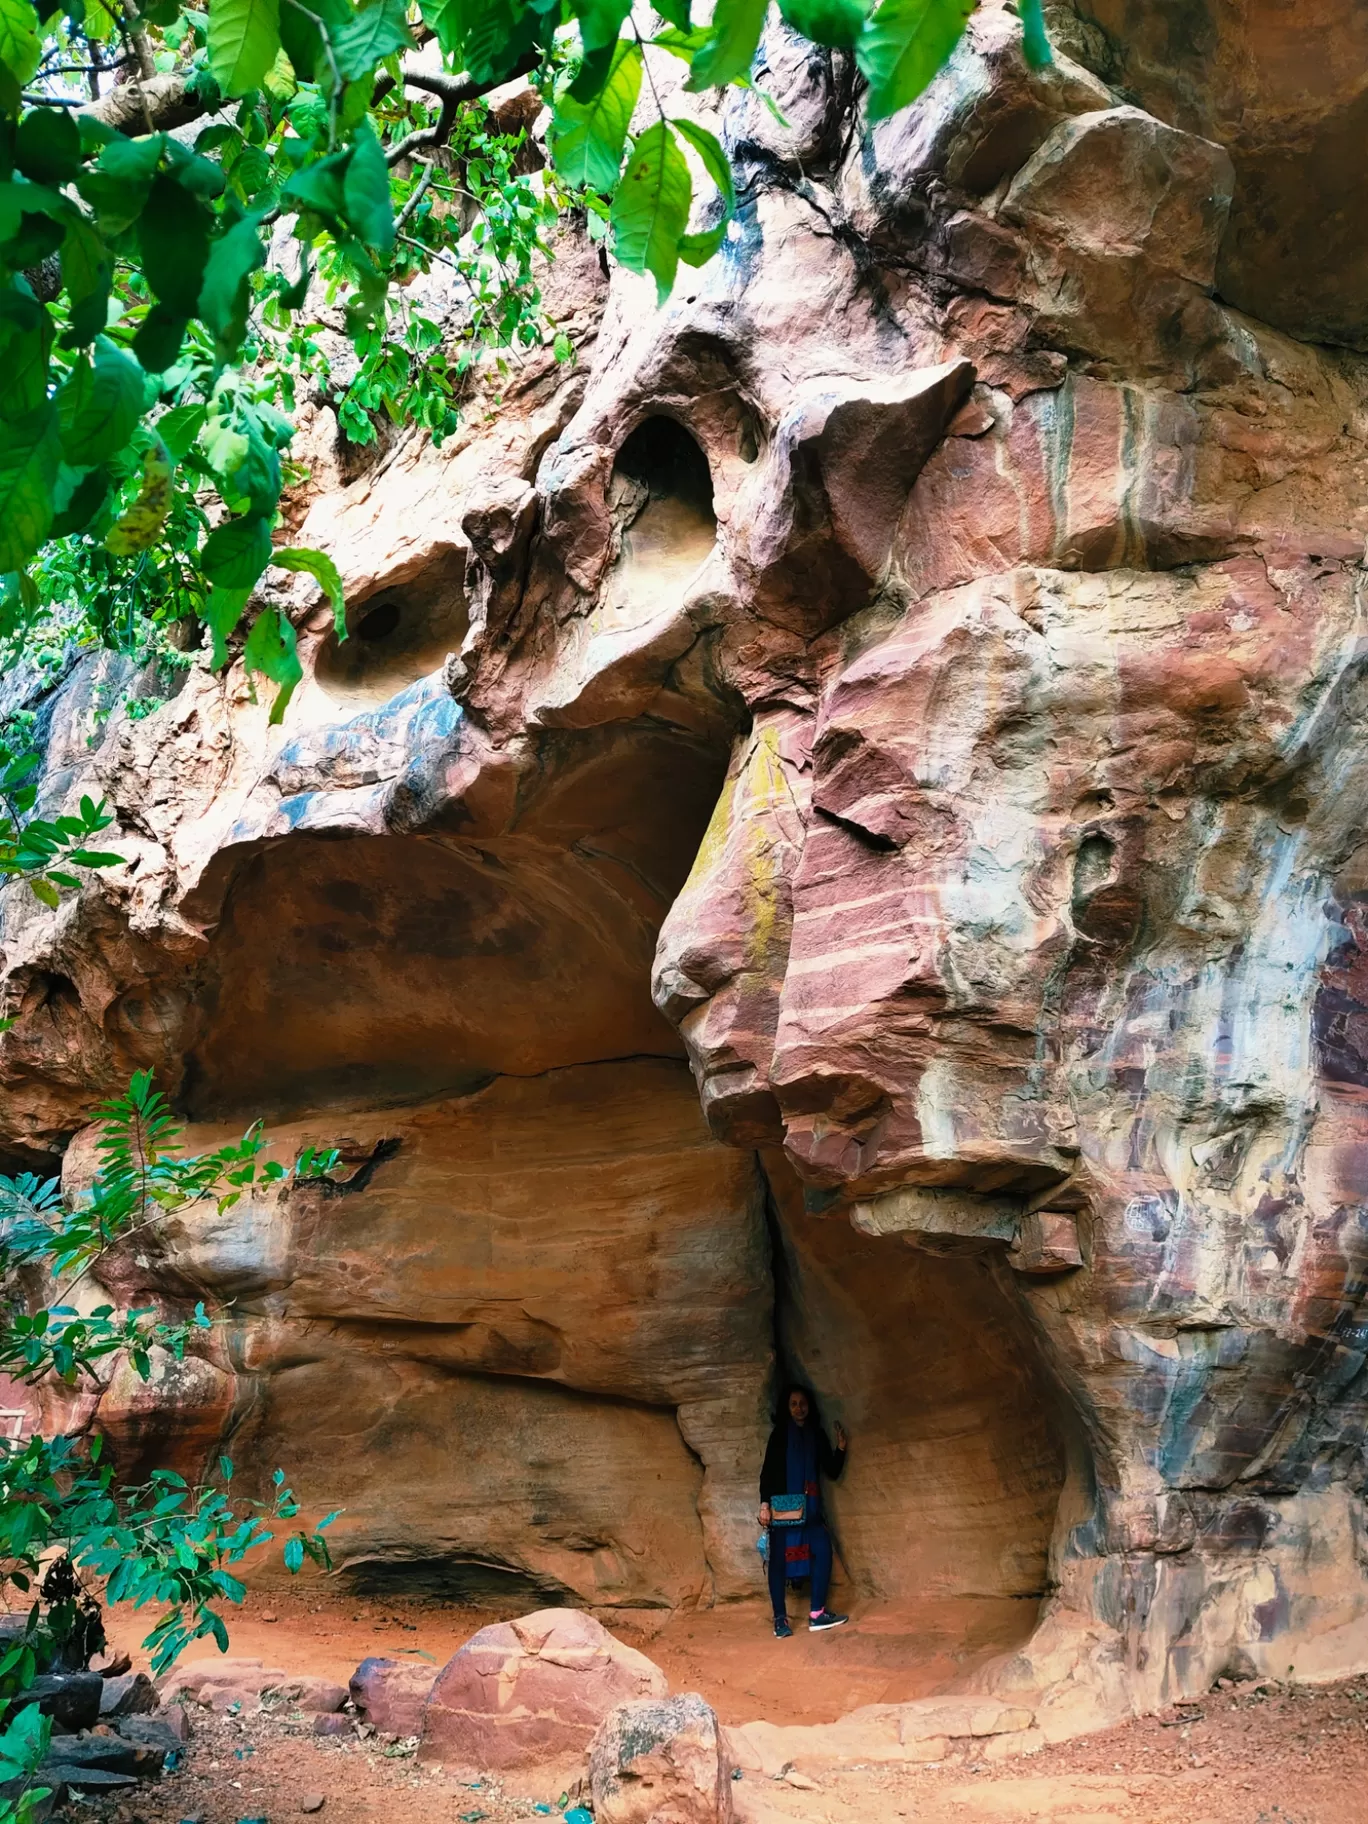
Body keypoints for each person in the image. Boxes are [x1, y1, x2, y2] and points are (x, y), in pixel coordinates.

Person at [758, 1383, 849, 1637]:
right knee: (778, 1562)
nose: (799, 1409)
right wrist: (764, 1504)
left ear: (810, 1406)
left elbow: (831, 1470)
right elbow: (768, 1473)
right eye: (794, 1404)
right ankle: (780, 1620)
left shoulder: (816, 1435)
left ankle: (817, 1614)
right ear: (787, 1407)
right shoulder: (779, 1435)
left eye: (803, 1404)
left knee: (823, 1551)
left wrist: (840, 1448)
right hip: (785, 1509)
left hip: (809, 1509)